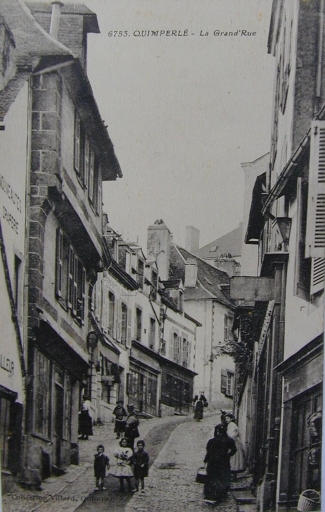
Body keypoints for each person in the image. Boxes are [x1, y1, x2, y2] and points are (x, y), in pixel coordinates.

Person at [203, 423, 237, 504]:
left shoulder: (211, 441)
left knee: (212, 478)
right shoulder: (229, 440)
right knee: (222, 478)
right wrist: (228, 455)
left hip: (212, 463)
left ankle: (210, 496)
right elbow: (234, 450)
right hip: (223, 462)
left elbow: (208, 452)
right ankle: (221, 495)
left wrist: (205, 461)